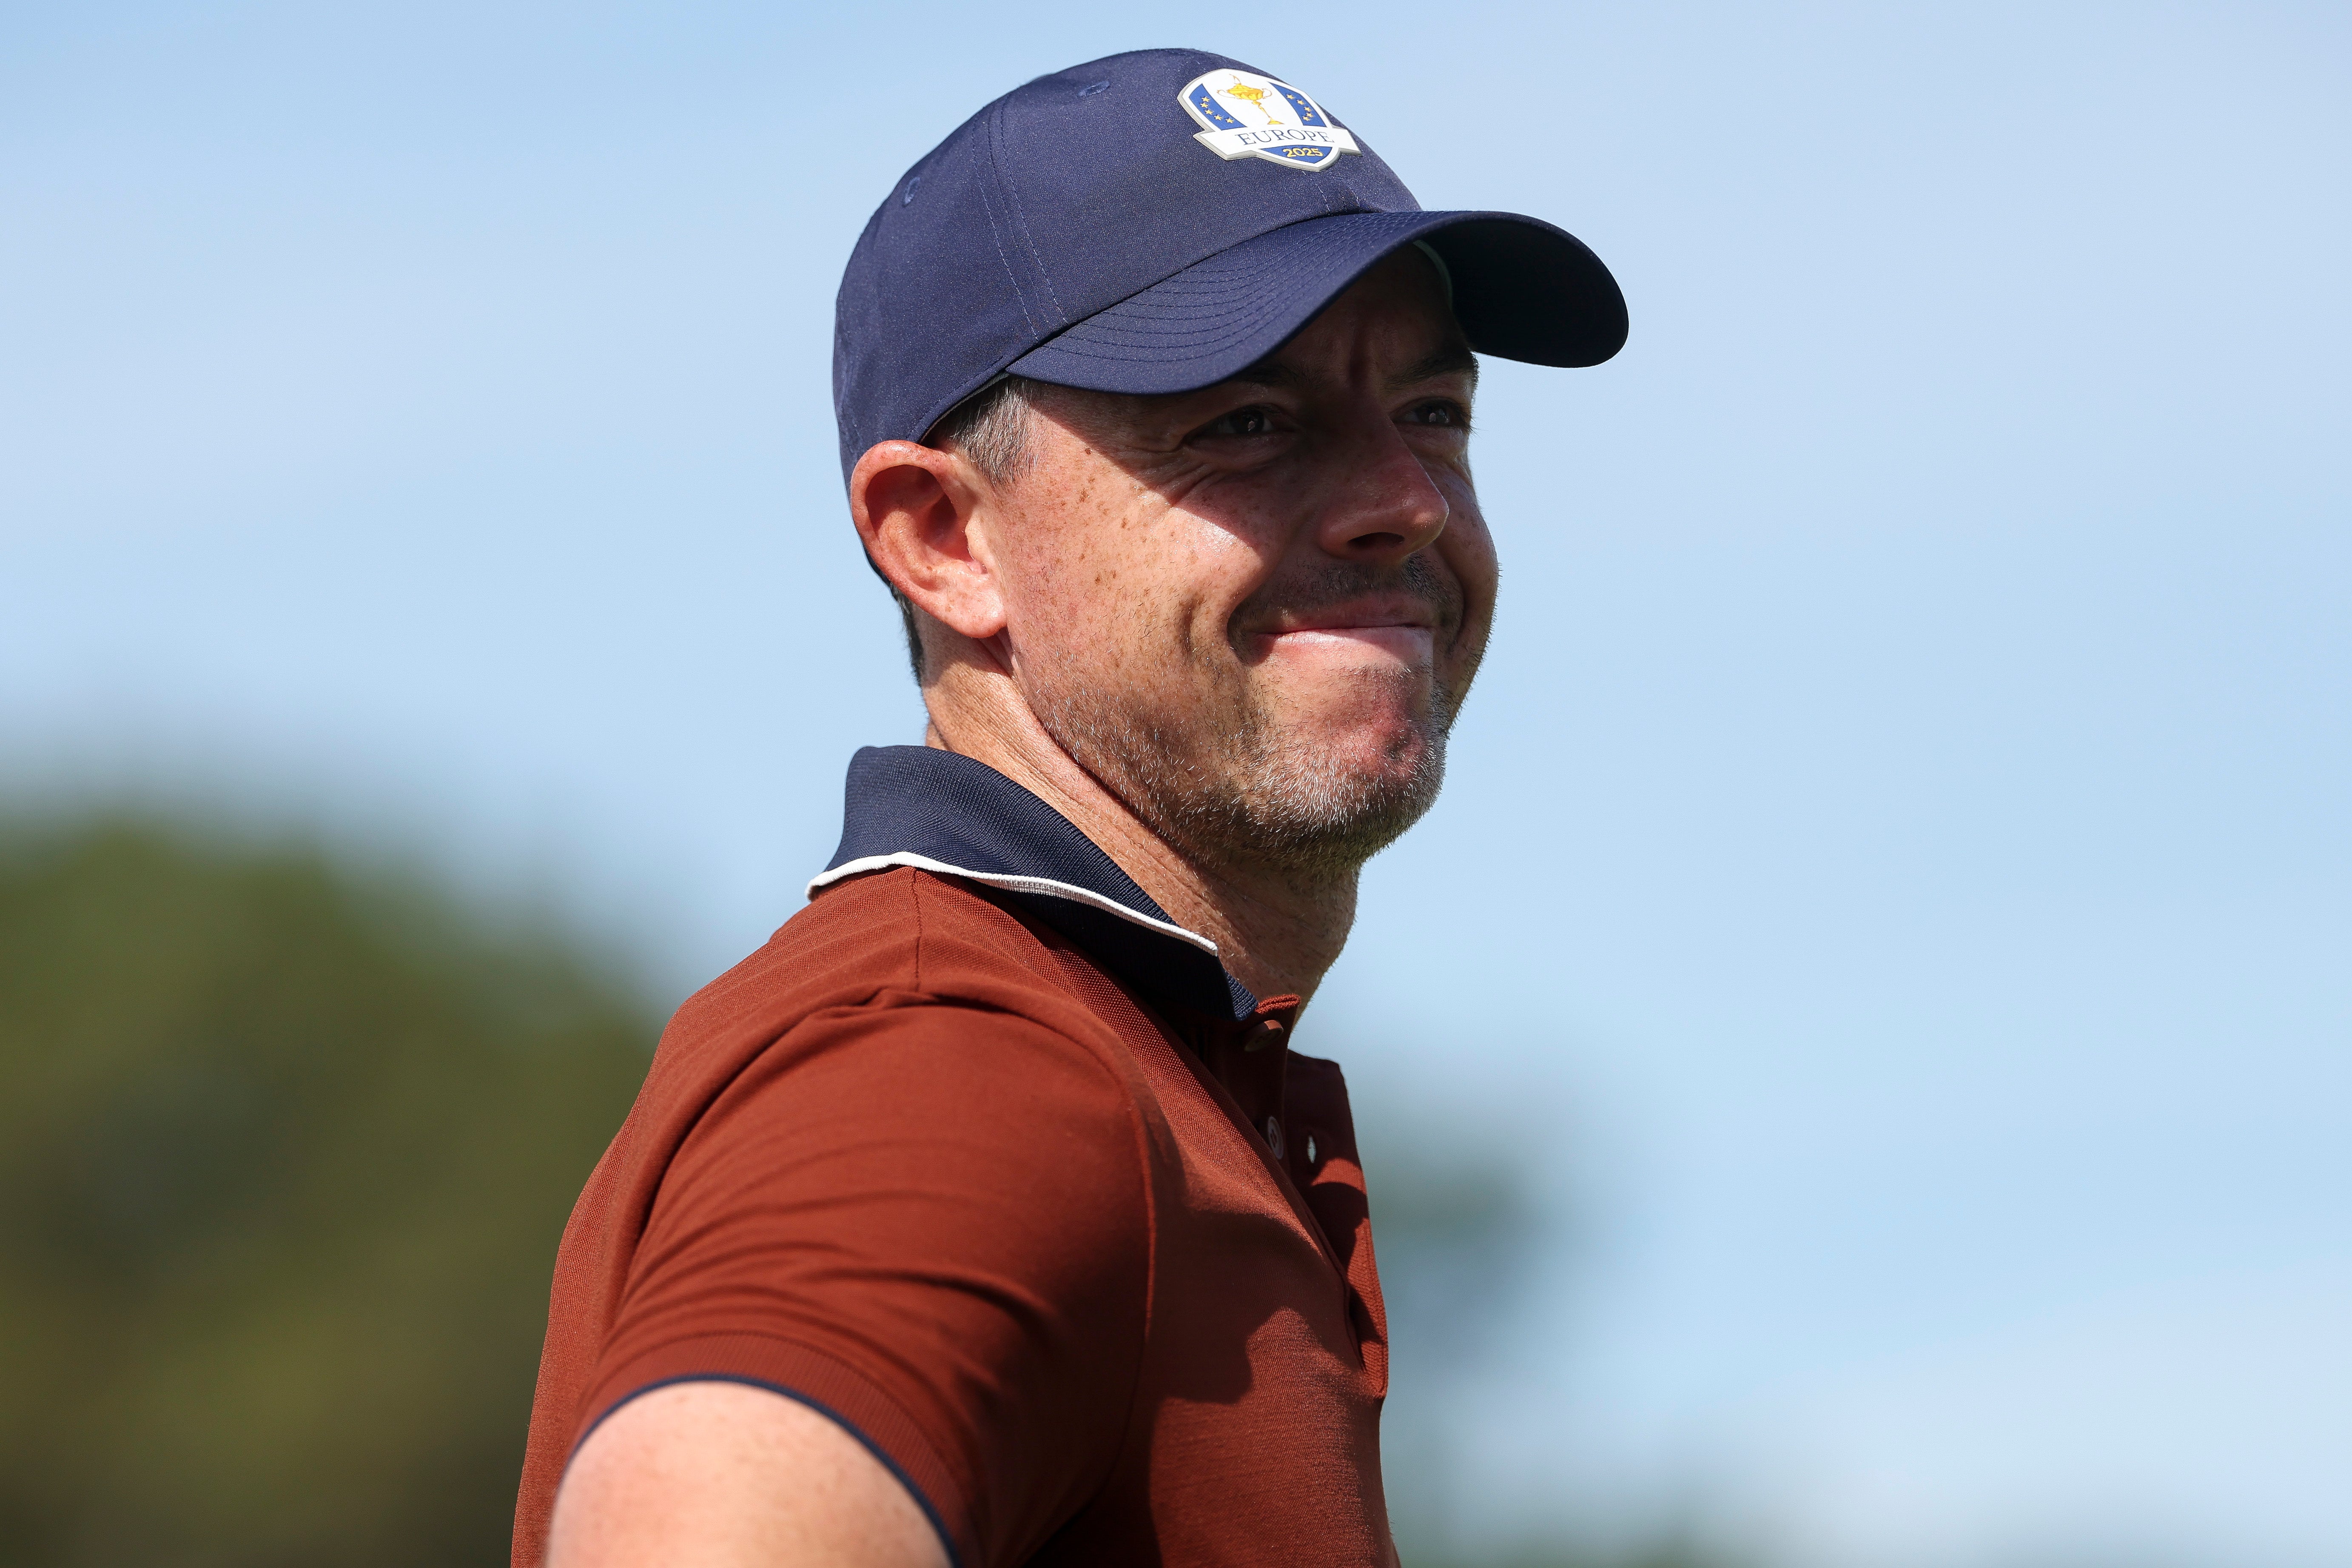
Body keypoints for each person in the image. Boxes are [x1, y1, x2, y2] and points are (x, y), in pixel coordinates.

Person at [513, 46, 1623, 1568]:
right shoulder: (964, 1056)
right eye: (1248, 422)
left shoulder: (1126, 1055)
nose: (1408, 499)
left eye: (1432, 411)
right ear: (942, 538)